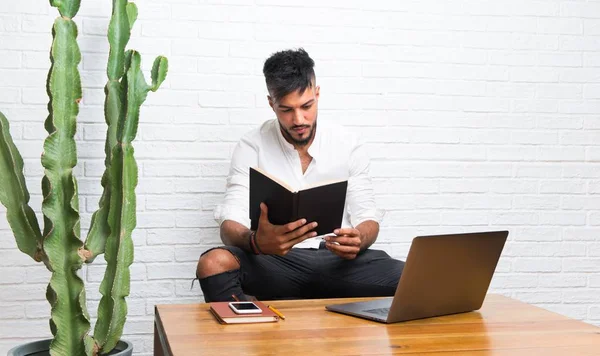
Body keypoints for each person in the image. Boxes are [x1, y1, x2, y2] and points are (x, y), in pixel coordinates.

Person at [196, 48, 405, 302]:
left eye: (307, 106)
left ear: (317, 94)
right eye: (286, 109)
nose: (299, 119)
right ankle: (253, 335)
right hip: (276, 262)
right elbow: (230, 223)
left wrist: (359, 239)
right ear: (271, 103)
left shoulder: (348, 144)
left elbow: (368, 218)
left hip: (338, 263)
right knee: (213, 263)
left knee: (421, 278)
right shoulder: (252, 146)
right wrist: (255, 243)